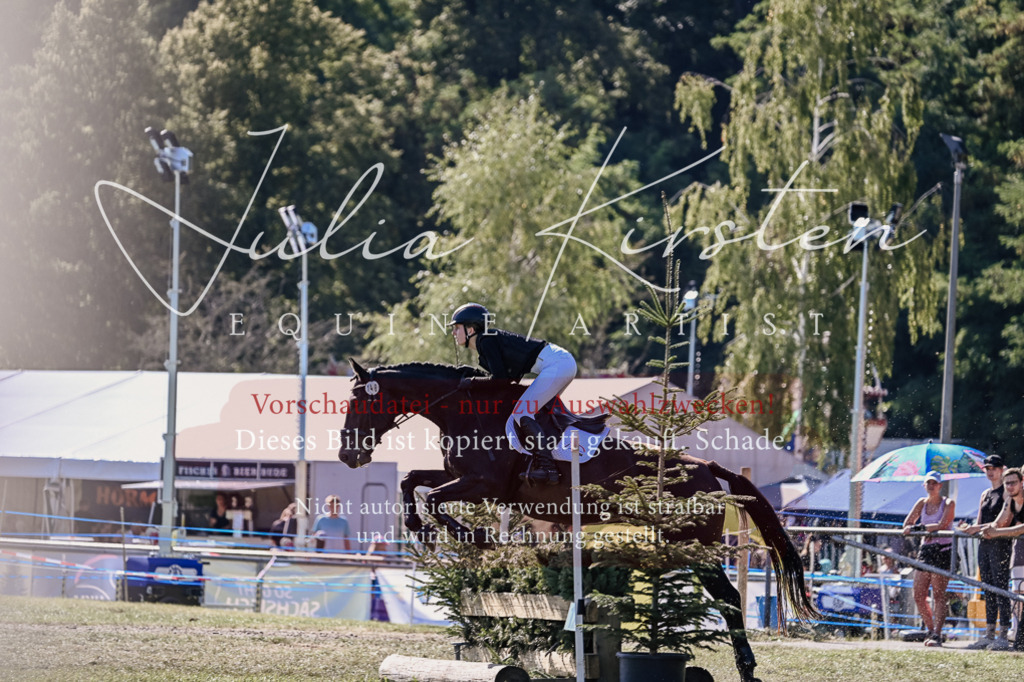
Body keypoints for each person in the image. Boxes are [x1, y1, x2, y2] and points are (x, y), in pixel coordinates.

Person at [448, 302, 577, 485]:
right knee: (537, 412)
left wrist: (472, 382)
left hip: (557, 365)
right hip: (561, 363)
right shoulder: (487, 342)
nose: (453, 333)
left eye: (457, 328)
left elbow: (500, 380)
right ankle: (553, 458)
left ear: (470, 329)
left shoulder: (486, 340)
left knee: (522, 412)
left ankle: (548, 468)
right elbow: (507, 379)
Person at [960, 454, 1013, 649]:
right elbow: (980, 520)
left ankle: (1004, 633)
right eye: (988, 468)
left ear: (1001, 469)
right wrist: (969, 527)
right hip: (985, 544)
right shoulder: (985, 494)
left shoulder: (1007, 492)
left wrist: (977, 528)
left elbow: (1002, 522)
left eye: (994, 468)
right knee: (987, 588)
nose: (990, 472)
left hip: (1001, 544)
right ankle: (989, 633)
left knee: (1000, 588)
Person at [902, 470, 955, 647]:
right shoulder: (921, 502)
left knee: (939, 594)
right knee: (918, 594)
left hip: (942, 550)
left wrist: (920, 528)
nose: (931, 486)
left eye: (934, 483)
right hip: (926, 549)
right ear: (924, 485)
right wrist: (922, 529)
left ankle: (937, 633)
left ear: (940, 486)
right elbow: (907, 524)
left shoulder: (948, 502)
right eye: (929, 483)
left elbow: (943, 524)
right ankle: (931, 630)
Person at [980, 466, 1024, 651]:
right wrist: (982, 529)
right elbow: (998, 522)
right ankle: (1016, 635)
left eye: (1013, 483)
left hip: (1018, 546)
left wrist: (996, 532)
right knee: (1016, 594)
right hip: (1020, 551)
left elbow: (1021, 528)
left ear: (1021, 482)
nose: (1010, 486)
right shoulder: (1010, 501)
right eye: (1007, 483)